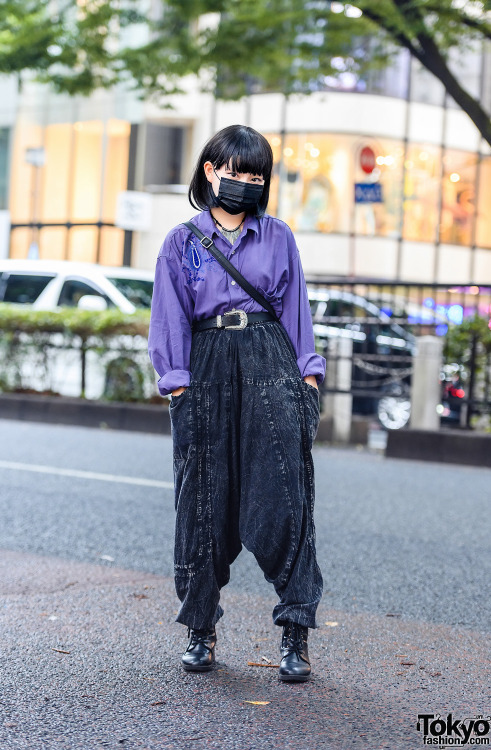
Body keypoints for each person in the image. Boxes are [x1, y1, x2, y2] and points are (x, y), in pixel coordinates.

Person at [148, 124, 326, 682]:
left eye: (256, 175)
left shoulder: (278, 236)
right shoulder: (181, 242)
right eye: (236, 172)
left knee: (284, 496)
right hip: (204, 368)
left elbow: (295, 308)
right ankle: (201, 628)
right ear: (210, 171)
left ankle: (295, 632)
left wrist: (309, 377)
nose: (245, 182)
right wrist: (175, 381)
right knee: (202, 497)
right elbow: (168, 315)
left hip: (271, 364)